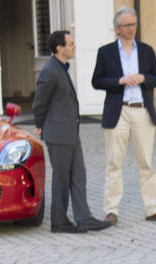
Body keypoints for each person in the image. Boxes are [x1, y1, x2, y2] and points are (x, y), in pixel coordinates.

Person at [91, 6, 156, 225]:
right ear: (117, 28)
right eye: (127, 25)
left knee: (146, 162)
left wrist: (143, 78)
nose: (131, 29)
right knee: (113, 163)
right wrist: (119, 81)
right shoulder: (105, 52)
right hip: (118, 111)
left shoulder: (146, 50)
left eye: (133, 24)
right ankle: (111, 211)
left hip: (142, 111)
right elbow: (96, 81)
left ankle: (153, 208)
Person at [33, 30, 111, 233]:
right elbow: (39, 103)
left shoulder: (61, 68)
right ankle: (58, 222)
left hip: (70, 132)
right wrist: (40, 124)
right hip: (58, 134)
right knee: (61, 178)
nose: (74, 46)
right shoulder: (50, 71)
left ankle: (84, 218)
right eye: (70, 43)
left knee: (78, 176)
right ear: (59, 48)